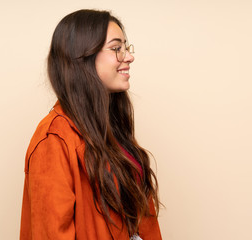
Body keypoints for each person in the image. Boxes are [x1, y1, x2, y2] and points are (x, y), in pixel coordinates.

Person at [20, 9, 162, 240]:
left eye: (126, 47)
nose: (128, 56)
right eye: (116, 48)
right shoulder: (54, 139)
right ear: (82, 57)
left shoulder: (110, 126)